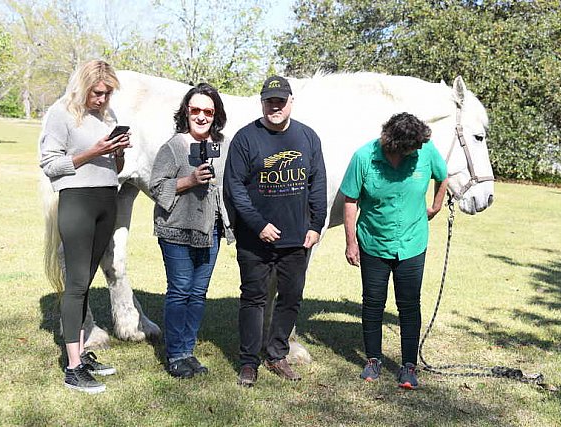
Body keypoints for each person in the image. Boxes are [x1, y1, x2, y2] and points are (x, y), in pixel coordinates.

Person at [224, 76, 327, 387]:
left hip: (297, 237)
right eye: (270, 101)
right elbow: (235, 189)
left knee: (291, 297)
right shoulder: (245, 139)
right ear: (263, 103)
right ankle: (248, 361)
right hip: (255, 239)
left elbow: (317, 184)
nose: (276, 106)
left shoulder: (308, 137)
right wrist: (259, 225)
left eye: (281, 101)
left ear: (290, 102)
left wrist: (316, 225)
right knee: (253, 298)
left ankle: (277, 353)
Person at [39, 60, 131, 394]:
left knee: (87, 281)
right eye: (98, 92)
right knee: (76, 283)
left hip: (107, 199)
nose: (103, 99)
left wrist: (117, 152)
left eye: (107, 94)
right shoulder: (61, 114)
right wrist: (91, 152)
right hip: (76, 200)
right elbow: (50, 164)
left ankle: (79, 352)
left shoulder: (109, 117)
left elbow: (115, 168)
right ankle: (73, 368)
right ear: (83, 86)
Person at [340, 112, 449, 390]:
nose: (417, 151)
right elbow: (350, 200)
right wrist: (351, 242)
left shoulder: (424, 150)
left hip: (412, 243)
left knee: (409, 304)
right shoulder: (364, 157)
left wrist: (436, 206)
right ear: (393, 143)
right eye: (412, 148)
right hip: (374, 243)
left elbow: (443, 175)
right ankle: (373, 360)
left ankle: (409, 366)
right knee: (373, 302)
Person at [149, 83, 233, 378]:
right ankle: (175, 356)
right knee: (180, 290)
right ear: (186, 112)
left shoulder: (221, 148)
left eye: (207, 111)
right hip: (177, 231)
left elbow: (228, 186)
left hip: (210, 230)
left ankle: (188, 350)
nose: (201, 116)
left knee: (198, 293)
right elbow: (156, 186)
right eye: (195, 110)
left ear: (216, 114)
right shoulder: (173, 147)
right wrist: (190, 180)